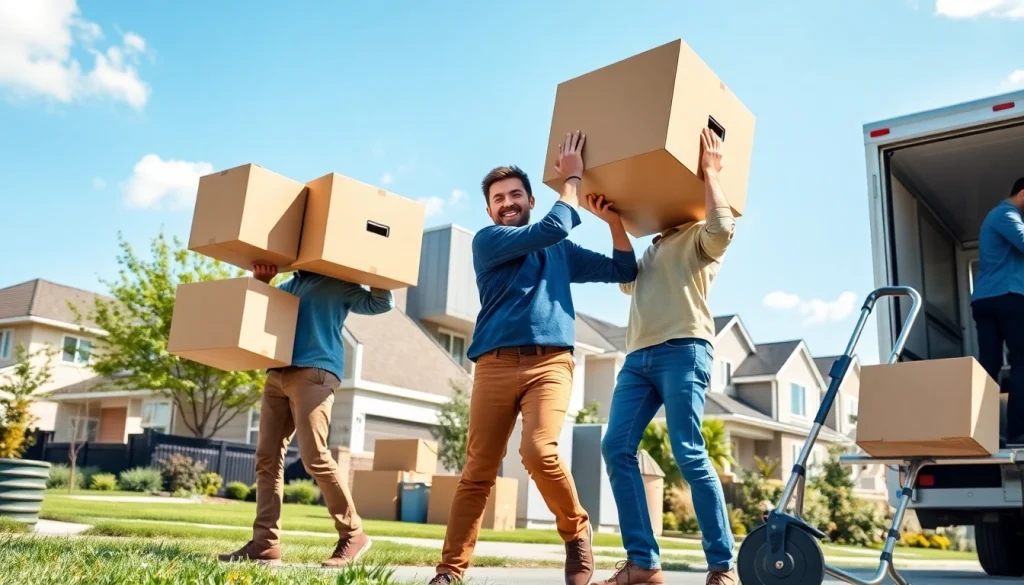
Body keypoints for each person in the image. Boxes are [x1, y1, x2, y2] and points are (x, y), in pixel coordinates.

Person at [428, 131, 639, 585]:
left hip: (551, 365)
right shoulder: (489, 241)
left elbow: (624, 270)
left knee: (539, 450)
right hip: (494, 364)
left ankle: (575, 530)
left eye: (515, 195)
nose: (507, 202)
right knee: (477, 471)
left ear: (528, 199)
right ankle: (450, 572)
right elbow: (555, 225)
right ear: (489, 210)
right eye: (499, 198)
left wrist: (615, 223)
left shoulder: (558, 248)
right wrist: (573, 179)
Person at [593, 128, 737, 585]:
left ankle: (722, 567)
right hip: (638, 359)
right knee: (615, 446)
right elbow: (624, 276)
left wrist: (710, 172)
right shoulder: (652, 249)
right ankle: (643, 565)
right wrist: (614, 223)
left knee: (688, 452)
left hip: (684, 349)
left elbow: (724, 227)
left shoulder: (698, 237)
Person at [218, 266, 394, 567]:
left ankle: (353, 534)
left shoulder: (339, 281)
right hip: (277, 373)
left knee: (315, 455)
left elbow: (380, 303)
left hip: (315, 371)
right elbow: (258, 317)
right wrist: (261, 282)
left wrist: (377, 270)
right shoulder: (287, 286)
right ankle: (265, 544)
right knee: (267, 458)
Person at [972, 177, 1024, 445]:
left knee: (989, 365)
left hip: (988, 299)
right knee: (1021, 360)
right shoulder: (1006, 213)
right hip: (1007, 297)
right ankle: (1018, 431)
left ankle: (983, 431)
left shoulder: (1000, 215)